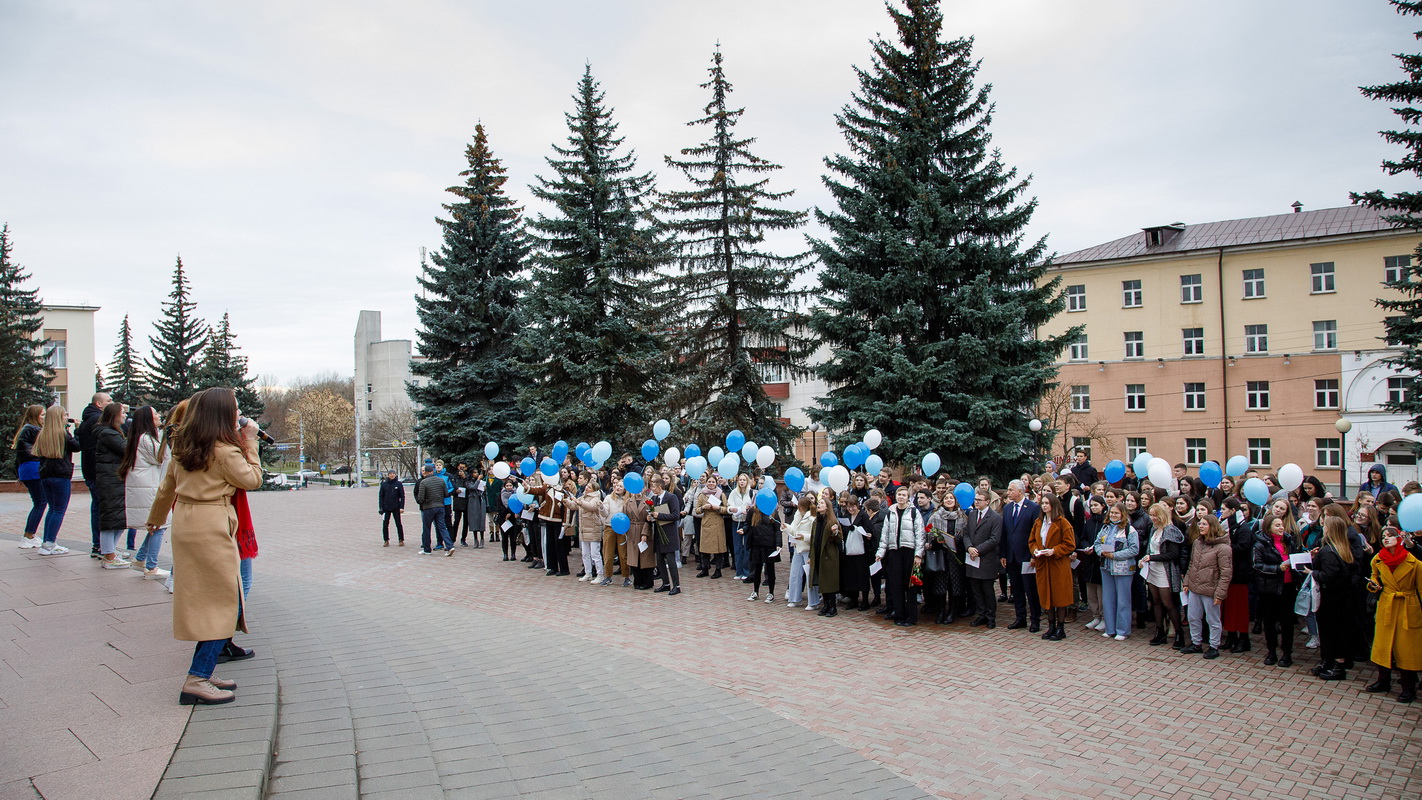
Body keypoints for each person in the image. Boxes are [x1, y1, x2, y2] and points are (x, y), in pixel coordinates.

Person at [145, 387, 262, 705]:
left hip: (187, 521)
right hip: (212, 524)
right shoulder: (224, 451)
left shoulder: (184, 445)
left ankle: (205, 671)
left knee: (208, 600)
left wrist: (155, 519)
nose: (239, 415)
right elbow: (252, 479)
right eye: (235, 409)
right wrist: (251, 441)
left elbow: (167, 487)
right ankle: (197, 678)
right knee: (224, 602)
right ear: (221, 414)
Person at [1367, 527, 1422, 702]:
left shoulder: (1414, 562)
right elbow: (1374, 577)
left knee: (1407, 650)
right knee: (1383, 646)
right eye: (1383, 536)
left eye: (1390, 536)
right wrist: (1373, 585)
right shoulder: (1377, 559)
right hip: (1387, 604)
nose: (1386, 539)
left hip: (1407, 606)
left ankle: (1408, 688)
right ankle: (1383, 681)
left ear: (1399, 538)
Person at [1311, 516, 1366, 681]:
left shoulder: (1329, 551)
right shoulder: (1344, 548)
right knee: (1337, 631)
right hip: (1343, 597)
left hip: (1331, 597)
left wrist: (1312, 572)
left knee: (1332, 632)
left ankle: (1337, 666)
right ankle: (1329, 662)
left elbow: (1329, 575)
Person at [121, 405, 169, 578]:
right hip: (148, 486)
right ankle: (151, 567)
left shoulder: (140, 437)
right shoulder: (146, 438)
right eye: (155, 413)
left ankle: (141, 558)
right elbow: (161, 457)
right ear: (148, 419)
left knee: (156, 525)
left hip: (145, 485)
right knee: (159, 524)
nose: (159, 415)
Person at [1252, 514, 1301, 668]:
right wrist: (1277, 568)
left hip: (1288, 586)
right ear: (1269, 527)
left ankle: (1287, 653)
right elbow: (1257, 566)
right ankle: (1271, 651)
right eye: (1277, 525)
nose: (1281, 528)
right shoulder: (1260, 544)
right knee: (1270, 621)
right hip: (1269, 588)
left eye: (1282, 525)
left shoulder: (1289, 541)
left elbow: (1296, 558)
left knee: (1286, 621)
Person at [1181, 515, 1233, 659]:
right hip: (1195, 587)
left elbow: (1226, 573)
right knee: (1193, 617)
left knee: (1212, 620)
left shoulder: (1223, 548)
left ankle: (1214, 646)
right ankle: (1196, 643)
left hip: (1211, 589)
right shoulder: (1197, 542)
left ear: (1212, 526)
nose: (1200, 526)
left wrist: (1220, 594)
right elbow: (1192, 564)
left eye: (1204, 524)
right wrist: (1187, 582)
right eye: (1200, 524)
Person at [32, 405, 80, 555]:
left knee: (52, 509)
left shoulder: (42, 434)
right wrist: (77, 430)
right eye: (64, 415)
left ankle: (47, 542)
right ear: (59, 418)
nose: (67, 417)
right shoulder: (64, 435)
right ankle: (50, 543)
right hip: (61, 475)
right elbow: (77, 446)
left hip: (45, 475)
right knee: (59, 510)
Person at [876, 486, 925, 627]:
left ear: (908, 497)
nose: (901, 497)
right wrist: (880, 553)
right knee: (896, 585)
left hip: (909, 551)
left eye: (904, 495)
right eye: (899, 495)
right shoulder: (890, 512)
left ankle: (911, 617)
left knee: (910, 586)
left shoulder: (914, 512)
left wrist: (918, 554)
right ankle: (899, 614)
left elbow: (920, 534)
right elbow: (885, 534)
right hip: (894, 552)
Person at [1138, 502, 1185, 648]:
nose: (1152, 518)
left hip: (1165, 570)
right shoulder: (1154, 529)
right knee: (1156, 601)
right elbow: (1149, 549)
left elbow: (1173, 554)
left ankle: (1179, 633)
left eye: (1155, 515)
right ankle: (1160, 631)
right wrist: (1145, 559)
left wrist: (1152, 558)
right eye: (1151, 515)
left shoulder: (1170, 530)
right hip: (1152, 569)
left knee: (1168, 603)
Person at [1029, 493, 1075, 641]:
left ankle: (1060, 627)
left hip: (1058, 565)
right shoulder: (1038, 522)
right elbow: (1031, 541)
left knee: (1059, 596)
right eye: (1042, 503)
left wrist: (1054, 551)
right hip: (1043, 564)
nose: (1044, 506)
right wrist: (1035, 550)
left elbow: (1070, 544)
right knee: (1046, 595)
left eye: (1047, 503)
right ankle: (1051, 626)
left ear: (1053, 505)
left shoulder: (1062, 523)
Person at [999, 479, 1042, 632]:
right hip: (1011, 556)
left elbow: (1036, 533)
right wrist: (1003, 554)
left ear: (1020, 491)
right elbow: (1004, 533)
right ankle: (1020, 618)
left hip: (1026, 556)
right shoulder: (1008, 508)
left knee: (1031, 590)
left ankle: (1035, 620)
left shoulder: (1033, 508)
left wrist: (1033, 555)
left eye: (1011, 490)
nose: (1008, 493)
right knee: (1016, 589)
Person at [91, 402, 130, 568]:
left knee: (117, 518)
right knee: (111, 517)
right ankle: (108, 556)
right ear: (114, 415)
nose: (125, 416)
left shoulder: (110, 432)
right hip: (111, 480)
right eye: (122, 413)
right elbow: (126, 449)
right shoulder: (108, 433)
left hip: (113, 479)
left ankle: (111, 551)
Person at [1094, 502, 1139, 641]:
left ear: (1122, 514)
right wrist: (1101, 552)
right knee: (1108, 599)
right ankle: (1110, 628)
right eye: (1112, 512)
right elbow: (1097, 543)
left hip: (1123, 569)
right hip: (1106, 567)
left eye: (1116, 513)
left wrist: (1115, 555)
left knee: (1123, 600)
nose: (1113, 515)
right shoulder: (1105, 528)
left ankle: (1123, 630)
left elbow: (1134, 549)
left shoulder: (1129, 530)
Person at [75, 392, 111, 557]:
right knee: (102, 509)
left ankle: (99, 546)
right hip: (98, 470)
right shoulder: (98, 419)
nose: (112, 403)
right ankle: (104, 547)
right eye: (109, 401)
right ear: (99, 404)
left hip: (90, 470)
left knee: (97, 506)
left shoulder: (86, 420)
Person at [962, 488, 1002, 628]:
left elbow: (994, 539)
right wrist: (969, 547)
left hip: (986, 559)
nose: (976, 502)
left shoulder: (995, 517)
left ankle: (991, 616)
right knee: (976, 590)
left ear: (987, 501)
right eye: (975, 500)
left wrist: (978, 550)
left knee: (987, 590)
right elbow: (966, 533)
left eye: (979, 500)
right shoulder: (972, 514)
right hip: (972, 558)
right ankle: (981, 614)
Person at [13, 404, 46, 548]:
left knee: (39, 502)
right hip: (33, 469)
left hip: (28, 470)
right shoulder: (33, 430)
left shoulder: (27, 429)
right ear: (35, 416)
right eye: (42, 415)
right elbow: (31, 452)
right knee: (40, 502)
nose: (45, 417)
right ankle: (29, 535)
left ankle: (30, 534)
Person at [810, 492, 844, 617]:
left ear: (827, 507)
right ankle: (826, 605)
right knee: (822, 581)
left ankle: (832, 607)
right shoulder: (816, 521)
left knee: (829, 582)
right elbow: (813, 539)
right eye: (818, 503)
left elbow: (839, 540)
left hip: (829, 556)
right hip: (818, 554)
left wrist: (835, 533)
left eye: (822, 503)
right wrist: (810, 556)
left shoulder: (832, 521)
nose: (819, 505)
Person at [648, 475, 683, 595]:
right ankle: (666, 583)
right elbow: (654, 514)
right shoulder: (654, 499)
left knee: (670, 560)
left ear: (659, 487)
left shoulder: (671, 497)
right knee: (659, 560)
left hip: (669, 534)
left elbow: (675, 515)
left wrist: (659, 515)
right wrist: (650, 518)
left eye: (653, 487)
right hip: (658, 533)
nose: (652, 489)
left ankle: (676, 585)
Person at [839, 493, 873, 611]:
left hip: (861, 551)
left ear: (857, 506)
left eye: (853, 506)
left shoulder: (863, 516)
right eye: (848, 507)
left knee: (862, 576)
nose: (851, 509)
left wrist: (860, 531)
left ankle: (865, 600)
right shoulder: (846, 516)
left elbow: (869, 529)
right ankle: (853, 599)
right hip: (849, 550)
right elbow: (843, 530)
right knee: (851, 575)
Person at [785, 495, 817, 609]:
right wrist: (786, 527)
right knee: (795, 574)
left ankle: (813, 602)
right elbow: (794, 529)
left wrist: (804, 537)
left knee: (810, 575)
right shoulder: (798, 515)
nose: (799, 509)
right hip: (798, 547)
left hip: (808, 549)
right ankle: (794, 598)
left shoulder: (812, 518)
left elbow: (814, 535)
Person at [415, 464, 454, 556]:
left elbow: (420, 498)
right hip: (440, 506)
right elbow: (446, 494)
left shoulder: (424, 482)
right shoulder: (441, 480)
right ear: (433, 471)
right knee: (442, 527)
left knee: (426, 528)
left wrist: (423, 502)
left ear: (425, 472)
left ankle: (427, 549)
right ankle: (450, 546)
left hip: (428, 507)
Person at [574, 477, 606, 583]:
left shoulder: (596, 498)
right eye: (587, 486)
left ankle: (600, 574)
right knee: (585, 553)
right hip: (584, 529)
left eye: (589, 487)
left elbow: (590, 507)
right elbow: (574, 505)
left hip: (593, 529)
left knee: (595, 554)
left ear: (594, 490)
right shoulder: (583, 497)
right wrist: (566, 501)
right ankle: (588, 573)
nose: (586, 488)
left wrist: (579, 502)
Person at [744, 506, 779, 602]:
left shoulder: (773, 512)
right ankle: (755, 591)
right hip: (756, 543)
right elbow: (747, 524)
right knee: (757, 568)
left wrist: (778, 544)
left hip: (769, 544)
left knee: (770, 569)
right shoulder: (753, 511)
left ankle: (771, 593)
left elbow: (777, 529)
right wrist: (744, 530)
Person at [695, 478, 729, 578]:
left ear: (716, 483)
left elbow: (727, 509)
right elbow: (696, 510)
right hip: (706, 523)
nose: (711, 483)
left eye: (713, 482)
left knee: (718, 548)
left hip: (717, 523)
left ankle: (718, 570)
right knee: (704, 548)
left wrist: (718, 508)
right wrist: (703, 508)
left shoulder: (721, 494)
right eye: (709, 482)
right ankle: (705, 568)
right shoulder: (702, 494)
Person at [727, 473, 754, 580]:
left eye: (744, 480)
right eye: (740, 480)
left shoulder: (751, 493)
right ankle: (739, 572)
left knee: (747, 547)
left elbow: (754, 506)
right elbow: (729, 505)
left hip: (747, 522)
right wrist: (732, 509)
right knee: (737, 547)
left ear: (747, 481)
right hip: (736, 521)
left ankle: (746, 571)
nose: (742, 482)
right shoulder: (734, 492)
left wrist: (749, 510)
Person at [378, 471, 405, 546]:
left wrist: (402, 507)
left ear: (395, 475)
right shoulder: (384, 484)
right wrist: (381, 507)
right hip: (386, 507)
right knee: (385, 524)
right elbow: (381, 497)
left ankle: (401, 539)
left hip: (396, 507)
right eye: (390, 474)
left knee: (398, 524)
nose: (392, 475)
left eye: (393, 473)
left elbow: (402, 496)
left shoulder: (398, 484)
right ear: (388, 475)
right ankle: (386, 540)